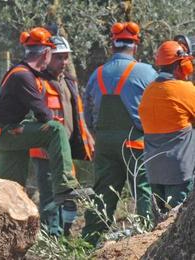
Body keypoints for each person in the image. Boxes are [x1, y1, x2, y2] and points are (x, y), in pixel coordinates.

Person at [0, 27, 93, 205]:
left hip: (8, 133)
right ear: (46, 53)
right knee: (55, 129)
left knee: (11, 189)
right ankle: (65, 187)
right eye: (52, 54)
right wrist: (50, 143)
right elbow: (44, 114)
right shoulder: (23, 76)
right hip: (7, 132)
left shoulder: (24, 73)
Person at [81, 22, 158, 245]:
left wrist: (100, 135)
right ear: (135, 46)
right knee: (142, 191)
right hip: (135, 142)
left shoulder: (97, 74)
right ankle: (146, 239)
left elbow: (88, 113)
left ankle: (88, 242)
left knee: (102, 193)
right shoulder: (146, 72)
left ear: (112, 46)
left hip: (104, 143)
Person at [29, 35, 95, 236]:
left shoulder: (69, 82)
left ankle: (65, 235)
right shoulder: (37, 82)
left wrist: (88, 137)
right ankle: (52, 240)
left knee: (69, 197)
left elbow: (78, 115)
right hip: (45, 151)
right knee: (50, 199)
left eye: (66, 57)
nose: (64, 62)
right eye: (59, 57)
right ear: (47, 57)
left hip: (65, 150)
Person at [138, 40, 195, 214]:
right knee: (177, 221)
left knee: (161, 220)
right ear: (179, 66)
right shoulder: (184, 89)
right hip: (179, 171)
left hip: (154, 171)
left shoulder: (149, 90)